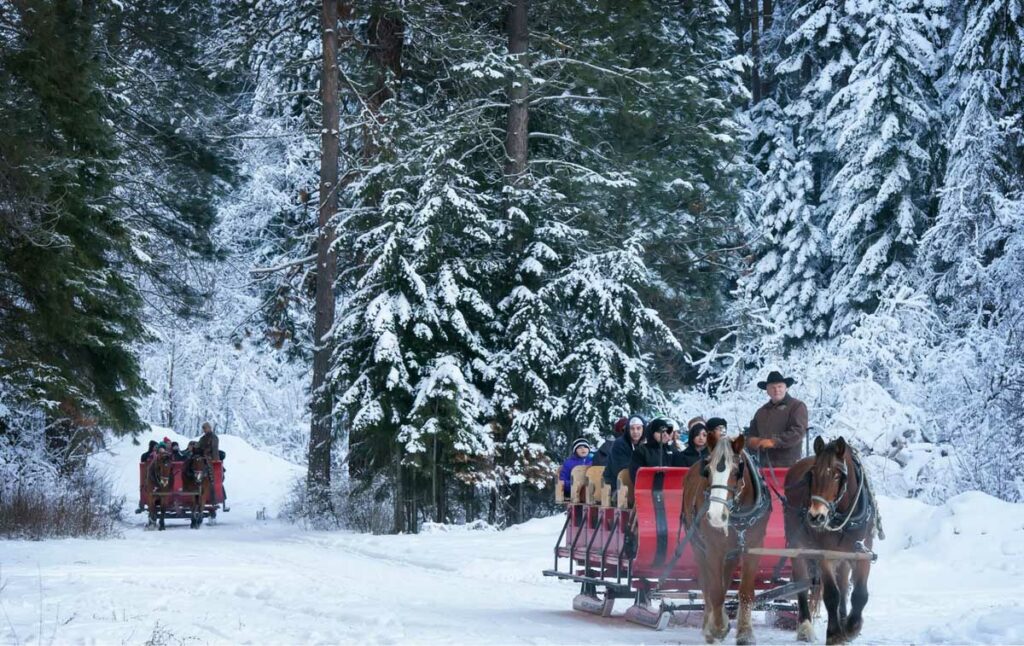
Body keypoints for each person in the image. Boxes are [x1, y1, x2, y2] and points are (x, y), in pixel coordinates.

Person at [745, 370, 809, 467]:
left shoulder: (797, 406)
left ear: (786, 388)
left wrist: (774, 442)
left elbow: (798, 431)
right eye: (772, 387)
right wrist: (751, 441)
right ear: (767, 390)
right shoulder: (761, 412)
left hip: (789, 467)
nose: (776, 390)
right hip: (762, 466)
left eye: (780, 386)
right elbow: (751, 433)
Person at [629, 417, 683, 483]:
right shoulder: (641, 451)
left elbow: (680, 471)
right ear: (652, 433)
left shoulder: (672, 450)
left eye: (667, 431)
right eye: (661, 431)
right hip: (648, 489)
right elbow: (636, 475)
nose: (665, 434)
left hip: (671, 488)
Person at [603, 415, 645, 493]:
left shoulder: (645, 444)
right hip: (616, 484)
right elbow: (621, 469)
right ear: (628, 430)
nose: (635, 432)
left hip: (640, 484)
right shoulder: (620, 444)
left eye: (638, 428)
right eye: (632, 428)